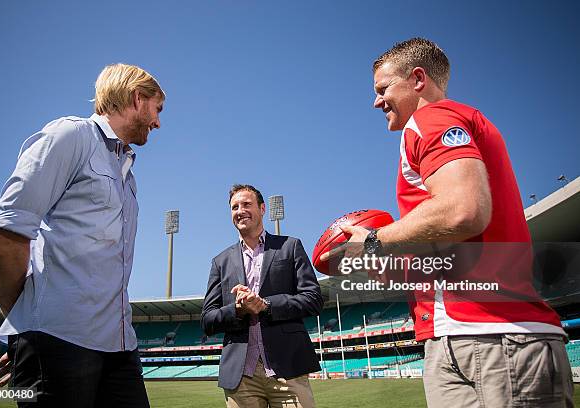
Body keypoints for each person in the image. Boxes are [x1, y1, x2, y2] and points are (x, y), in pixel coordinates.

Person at [323, 38, 572, 407]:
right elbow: (454, 240)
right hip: (467, 335)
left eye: (383, 89)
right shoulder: (459, 122)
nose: (377, 102)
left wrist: (375, 239)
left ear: (418, 79)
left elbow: (463, 211)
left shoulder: (430, 119)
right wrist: (385, 266)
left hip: (490, 333)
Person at [0, 63, 165, 407]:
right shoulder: (71, 136)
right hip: (59, 340)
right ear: (138, 99)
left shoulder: (127, 173)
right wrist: (26, 330)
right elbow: (2, 235)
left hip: (119, 345)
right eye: (157, 109)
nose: (158, 122)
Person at [201, 184, 323, 408]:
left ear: (263, 208)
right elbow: (207, 319)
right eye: (234, 207)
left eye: (247, 204)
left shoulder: (290, 246)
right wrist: (238, 310)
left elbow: (313, 299)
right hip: (241, 377)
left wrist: (266, 305)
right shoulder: (220, 261)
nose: (240, 210)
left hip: (288, 369)